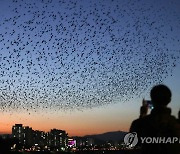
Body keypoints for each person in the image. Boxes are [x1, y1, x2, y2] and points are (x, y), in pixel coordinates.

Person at [130, 84, 180, 154]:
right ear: (169, 100)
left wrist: (142, 115)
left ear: (152, 99)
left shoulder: (139, 123)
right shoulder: (176, 124)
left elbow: (132, 142)